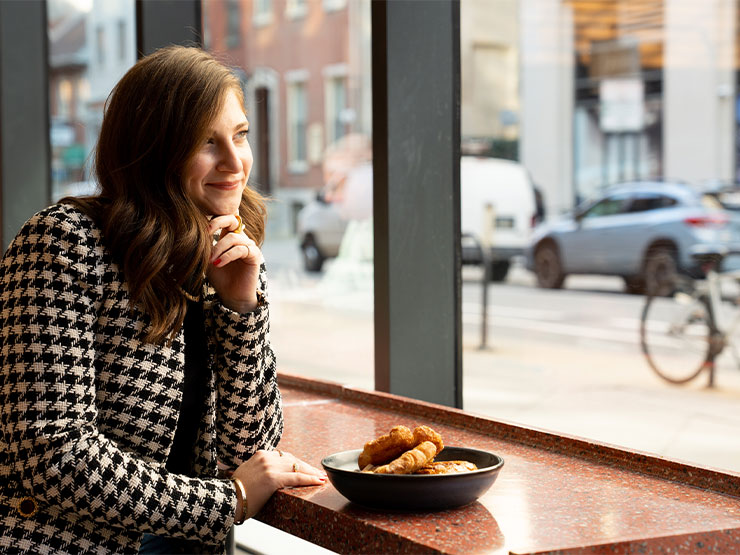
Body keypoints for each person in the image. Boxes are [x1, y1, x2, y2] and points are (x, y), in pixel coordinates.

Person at [0, 45, 326, 554]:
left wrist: (241, 311)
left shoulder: (224, 250)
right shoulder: (63, 241)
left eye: (239, 136)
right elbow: (50, 453)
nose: (234, 162)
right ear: (154, 149)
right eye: (206, 142)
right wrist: (229, 501)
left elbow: (249, 449)